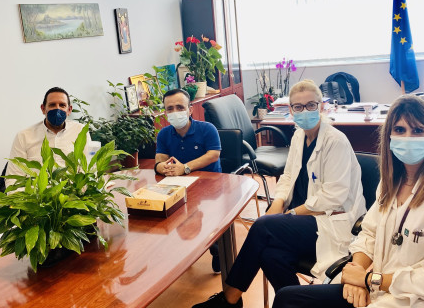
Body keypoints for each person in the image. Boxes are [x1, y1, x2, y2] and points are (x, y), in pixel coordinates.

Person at [274, 95, 424, 308]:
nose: (408, 138)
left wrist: (370, 280)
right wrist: (357, 272)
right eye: (399, 130)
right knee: (287, 298)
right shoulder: (391, 183)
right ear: (389, 136)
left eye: (418, 130)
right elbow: (369, 233)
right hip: (386, 288)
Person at [192, 79, 366, 308]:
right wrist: (278, 202)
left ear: (321, 106)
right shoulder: (299, 136)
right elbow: (288, 176)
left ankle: (229, 299)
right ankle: (293, 303)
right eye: (298, 107)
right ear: (291, 110)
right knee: (270, 255)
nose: (305, 111)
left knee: (263, 227)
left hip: (332, 221)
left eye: (311, 105)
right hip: (307, 221)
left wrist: (289, 214)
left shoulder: (335, 141)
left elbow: (333, 197)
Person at [155, 88, 222, 272]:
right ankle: (181, 250)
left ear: (190, 109)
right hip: (179, 185)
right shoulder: (164, 134)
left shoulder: (207, 129)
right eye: (170, 109)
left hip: (209, 187)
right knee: (168, 215)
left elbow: (213, 155)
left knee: (212, 219)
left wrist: (185, 167)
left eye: (180, 107)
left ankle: (218, 250)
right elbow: (159, 160)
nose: (175, 112)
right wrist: (162, 167)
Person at [6, 87, 94, 187]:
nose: (57, 109)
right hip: (35, 195)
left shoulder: (80, 131)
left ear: (69, 110)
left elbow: (87, 171)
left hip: (72, 194)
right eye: (52, 105)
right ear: (43, 109)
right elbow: (13, 179)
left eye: (62, 105)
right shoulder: (24, 136)